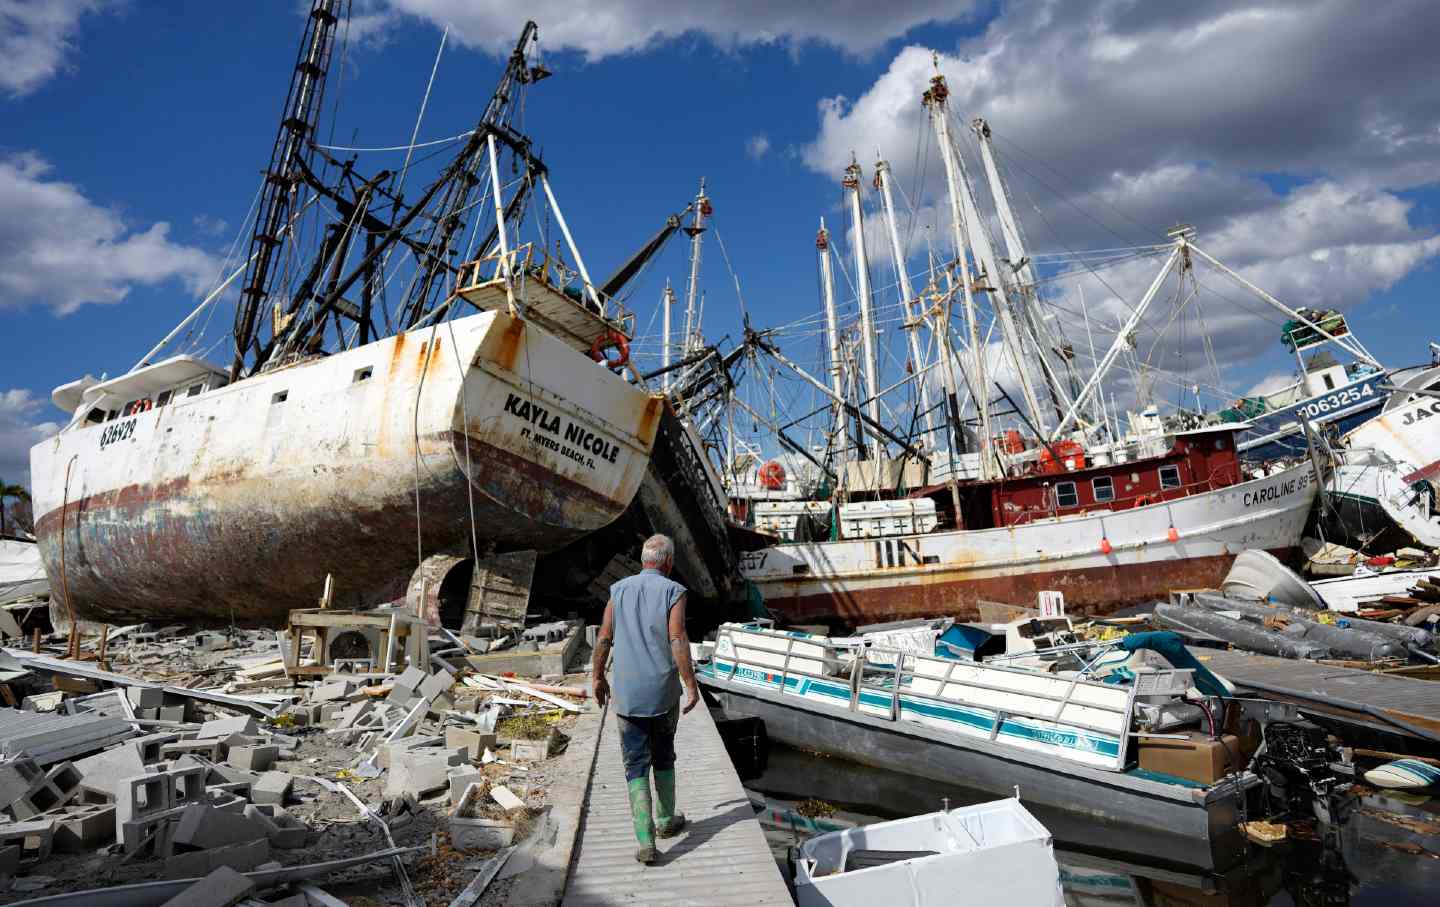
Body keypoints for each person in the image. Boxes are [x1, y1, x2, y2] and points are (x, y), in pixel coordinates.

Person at [591, 534, 700, 864]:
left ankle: (645, 841)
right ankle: (667, 820)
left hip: (626, 694)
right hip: (663, 694)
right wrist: (690, 685)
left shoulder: (618, 590)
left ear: (643, 561)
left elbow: (604, 637)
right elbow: (678, 639)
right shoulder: (673, 591)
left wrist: (597, 677)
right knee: (664, 753)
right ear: (668, 562)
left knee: (635, 763)